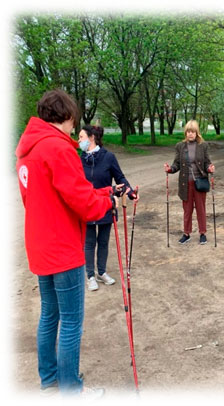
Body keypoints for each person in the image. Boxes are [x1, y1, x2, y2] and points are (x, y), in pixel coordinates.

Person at [15, 89, 115, 398]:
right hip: (63, 248)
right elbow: (83, 203)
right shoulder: (57, 149)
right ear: (66, 117)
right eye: (74, 121)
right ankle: (72, 391)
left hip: (40, 245)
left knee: (49, 314)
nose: (76, 129)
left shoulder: (28, 151)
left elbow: (54, 197)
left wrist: (102, 195)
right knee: (71, 322)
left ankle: (50, 380)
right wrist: (106, 202)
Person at [79, 124, 139, 292]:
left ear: (91, 138)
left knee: (103, 241)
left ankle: (102, 272)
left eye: (81, 137)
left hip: (106, 205)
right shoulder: (79, 159)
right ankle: (90, 275)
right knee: (89, 242)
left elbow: (120, 178)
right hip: (88, 207)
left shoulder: (108, 157)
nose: (79, 141)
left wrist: (130, 192)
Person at [164, 120, 215, 245]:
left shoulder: (203, 146)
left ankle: (202, 233)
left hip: (200, 183)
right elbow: (176, 164)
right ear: (185, 133)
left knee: (201, 209)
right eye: (188, 132)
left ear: (197, 132)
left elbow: (207, 162)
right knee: (187, 210)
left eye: (192, 132)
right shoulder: (180, 146)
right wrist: (170, 169)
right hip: (185, 184)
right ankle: (186, 233)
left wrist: (209, 168)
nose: (190, 134)